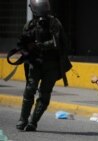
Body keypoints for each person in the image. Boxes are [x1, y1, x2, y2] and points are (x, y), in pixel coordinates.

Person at [16, 0, 72, 131]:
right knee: (29, 90)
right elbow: (22, 44)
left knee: (44, 95)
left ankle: (33, 122)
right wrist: (27, 50)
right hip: (35, 64)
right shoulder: (30, 25)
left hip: (51, 65)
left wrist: (43, 46)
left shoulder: (54, 23)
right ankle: (23, 120)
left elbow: (61, 43)